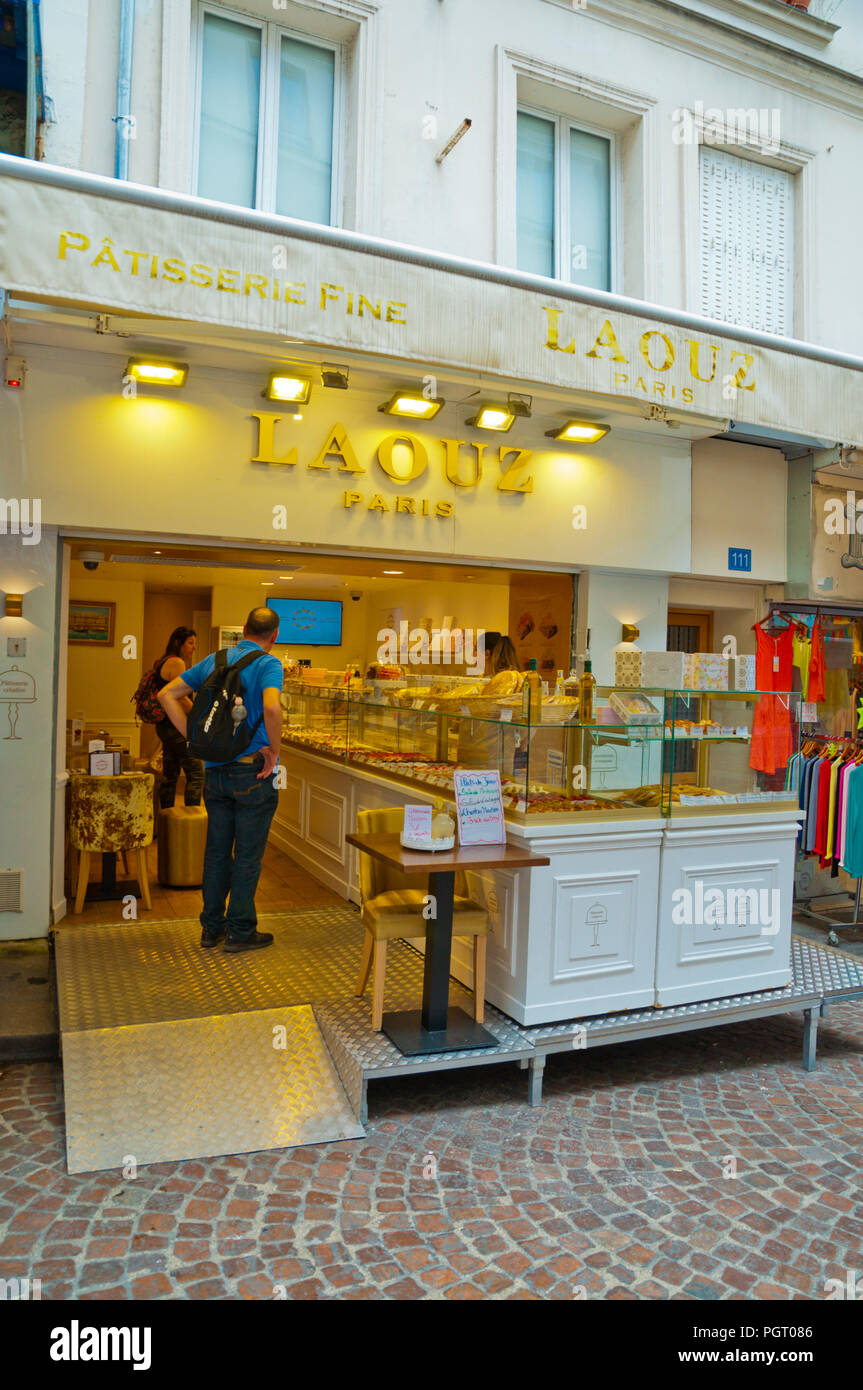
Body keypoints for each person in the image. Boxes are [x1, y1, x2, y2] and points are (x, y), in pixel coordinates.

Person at [158, 608, 284, 954]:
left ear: (243, 629)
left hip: (215, 773)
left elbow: (166, 695)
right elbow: (272, 709)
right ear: (273, 636)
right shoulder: (268, 664)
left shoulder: (215, 659)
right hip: (252, 772)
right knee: (247, 856)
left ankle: (211, 928)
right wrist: (274, 750)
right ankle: (241, 931)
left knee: (216, 853)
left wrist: (194, 739)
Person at [152, 626, 205, 809]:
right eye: (190, 643)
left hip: (165, 726)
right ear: (178, 643)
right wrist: (199, 714)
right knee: (196, 772)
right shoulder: (177, 663)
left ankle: (165, 822)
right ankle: (192, 819)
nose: (193, 647)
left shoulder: (162, 661)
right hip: (176, 726)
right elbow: (179, 696)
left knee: (170, 774)